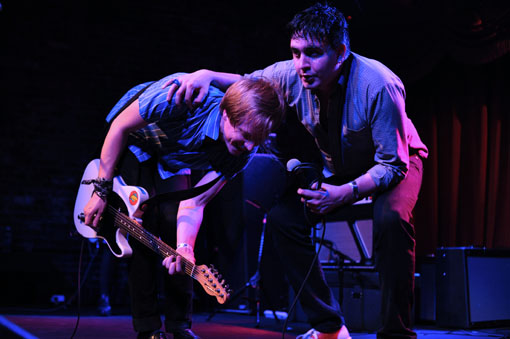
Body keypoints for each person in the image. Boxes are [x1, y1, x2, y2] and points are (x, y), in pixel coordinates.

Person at [164, 3, 428, 339]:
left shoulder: (379, 85)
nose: (302, 64)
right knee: (283, 220)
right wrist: (206, 75)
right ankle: (330, 328)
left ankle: (396, 333)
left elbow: (393, 164)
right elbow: (250, 83)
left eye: (314, 53)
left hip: (395, 162)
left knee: (393, 219)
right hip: (337, 166)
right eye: (296, 52)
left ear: (341, 52)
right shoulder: (290, 74)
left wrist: (343, 193)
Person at [82, 74, 285, 339]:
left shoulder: (243, 153)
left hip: (173, 158)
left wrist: (184, 247)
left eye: (256, 140)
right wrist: (101, 189)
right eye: (244, 135)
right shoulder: (181, 97)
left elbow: (195, 202)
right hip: (136, 140)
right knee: (139, 229)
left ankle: (180, 326)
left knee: (177, 240)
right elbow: (120, 126)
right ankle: (148, 329)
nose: (248, 147)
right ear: (225, 114)